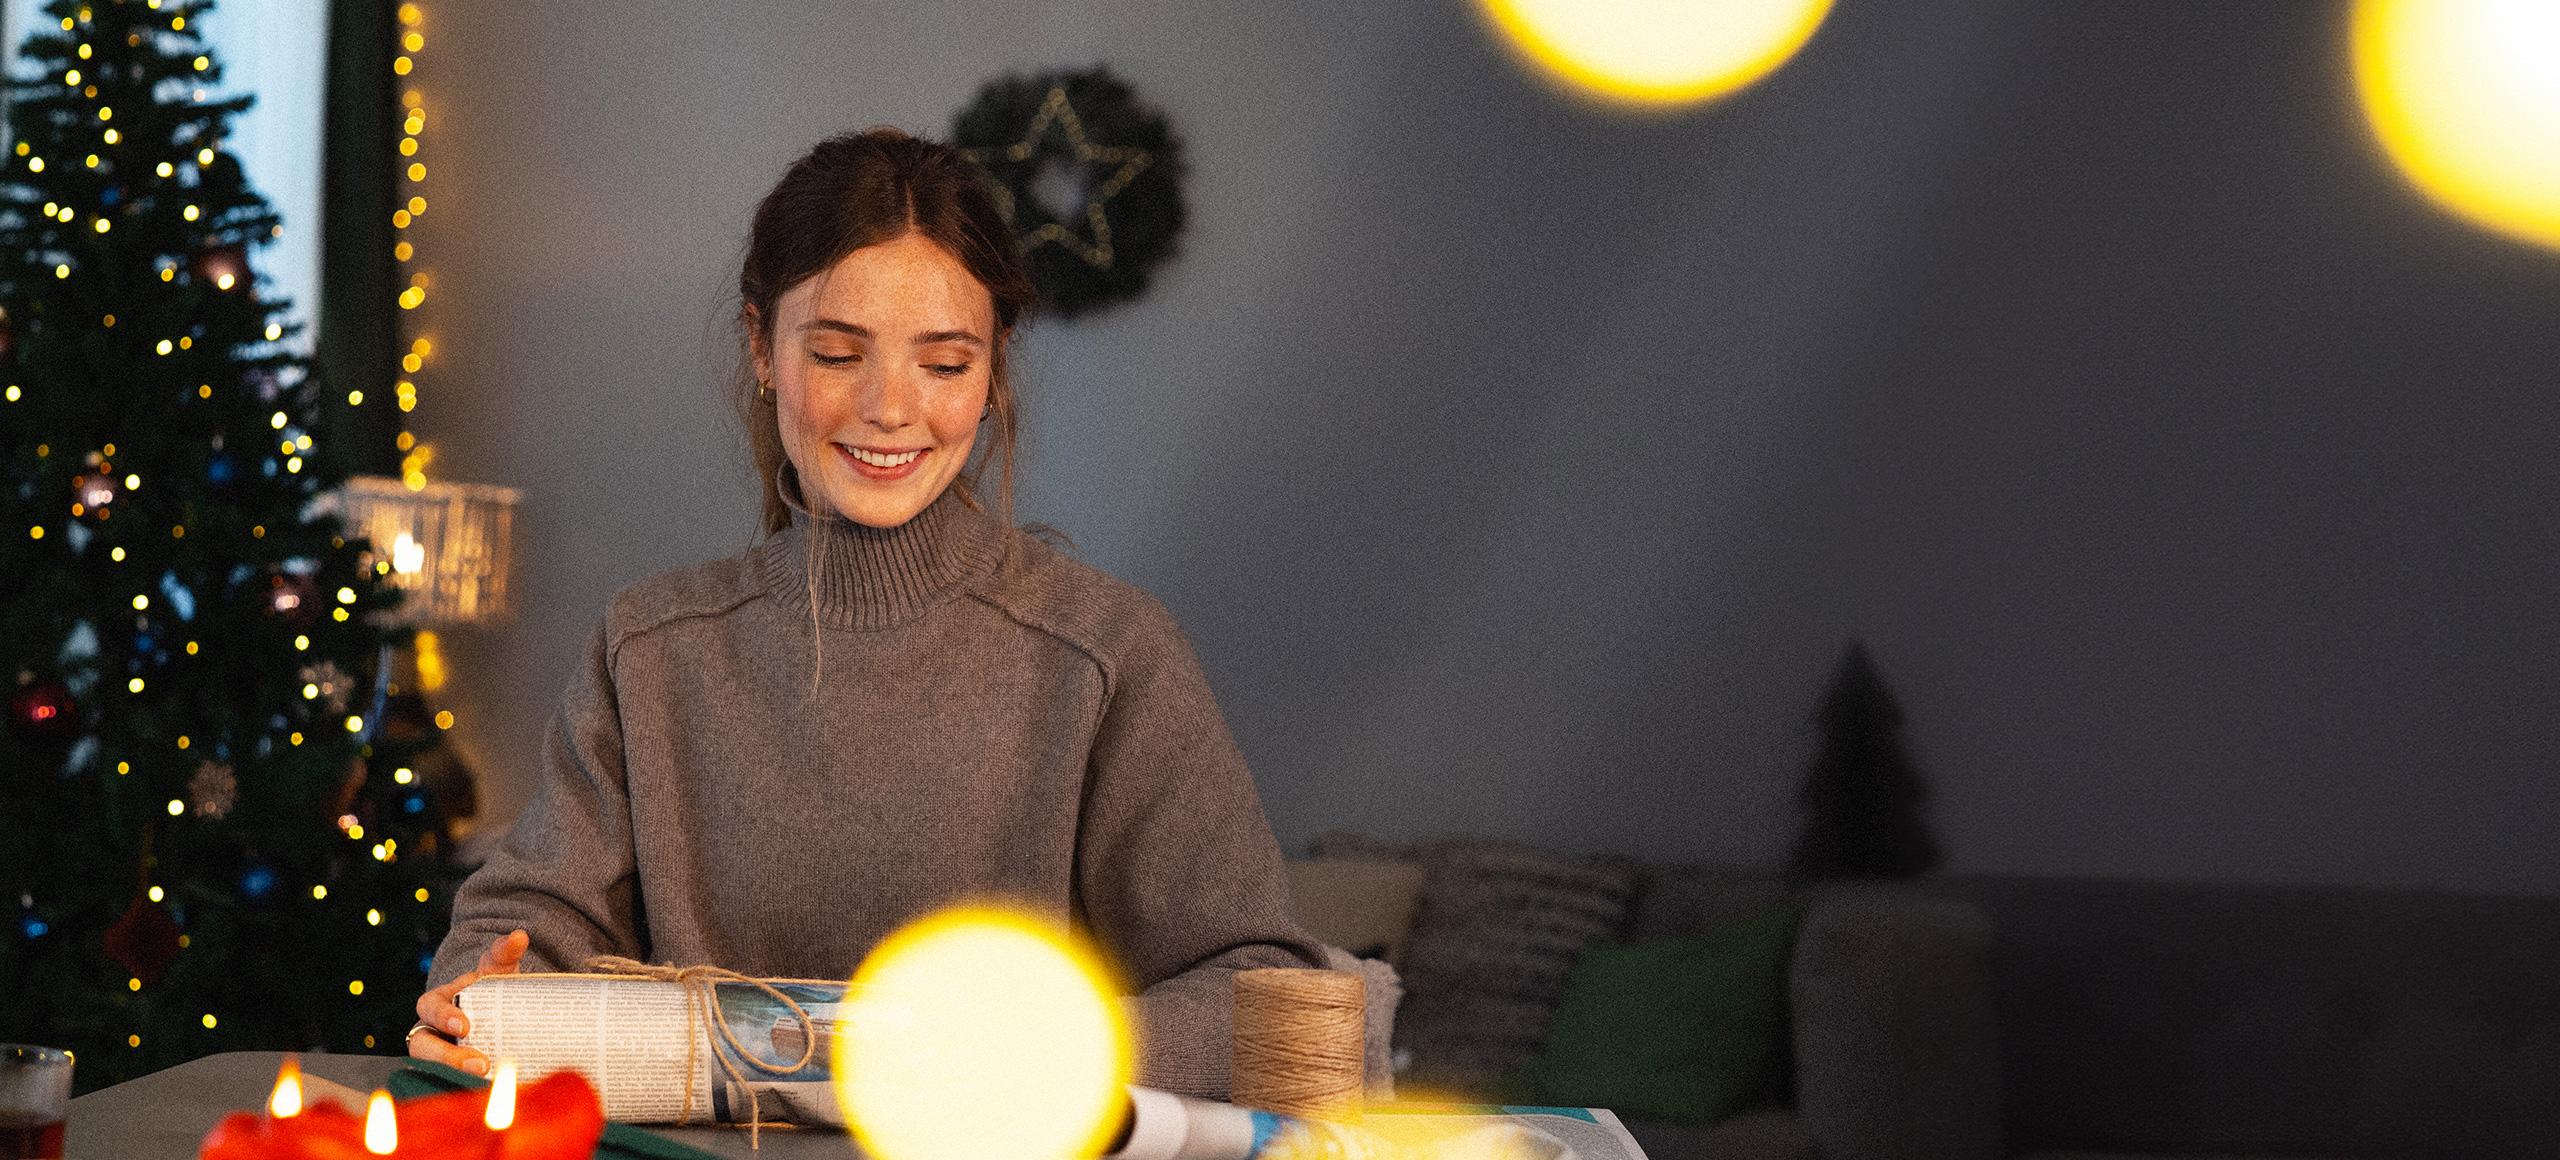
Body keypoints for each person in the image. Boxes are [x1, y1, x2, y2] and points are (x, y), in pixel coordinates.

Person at [407, 127, 1322, 1099]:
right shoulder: (651, 646)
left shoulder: (1106, 653)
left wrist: (991, 1055)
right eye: (840, 353)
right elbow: (521, 928)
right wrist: (482, 994)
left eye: (943, 363)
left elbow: (1267, 999)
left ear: (994, 369)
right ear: (760, 347)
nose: (891, 407)